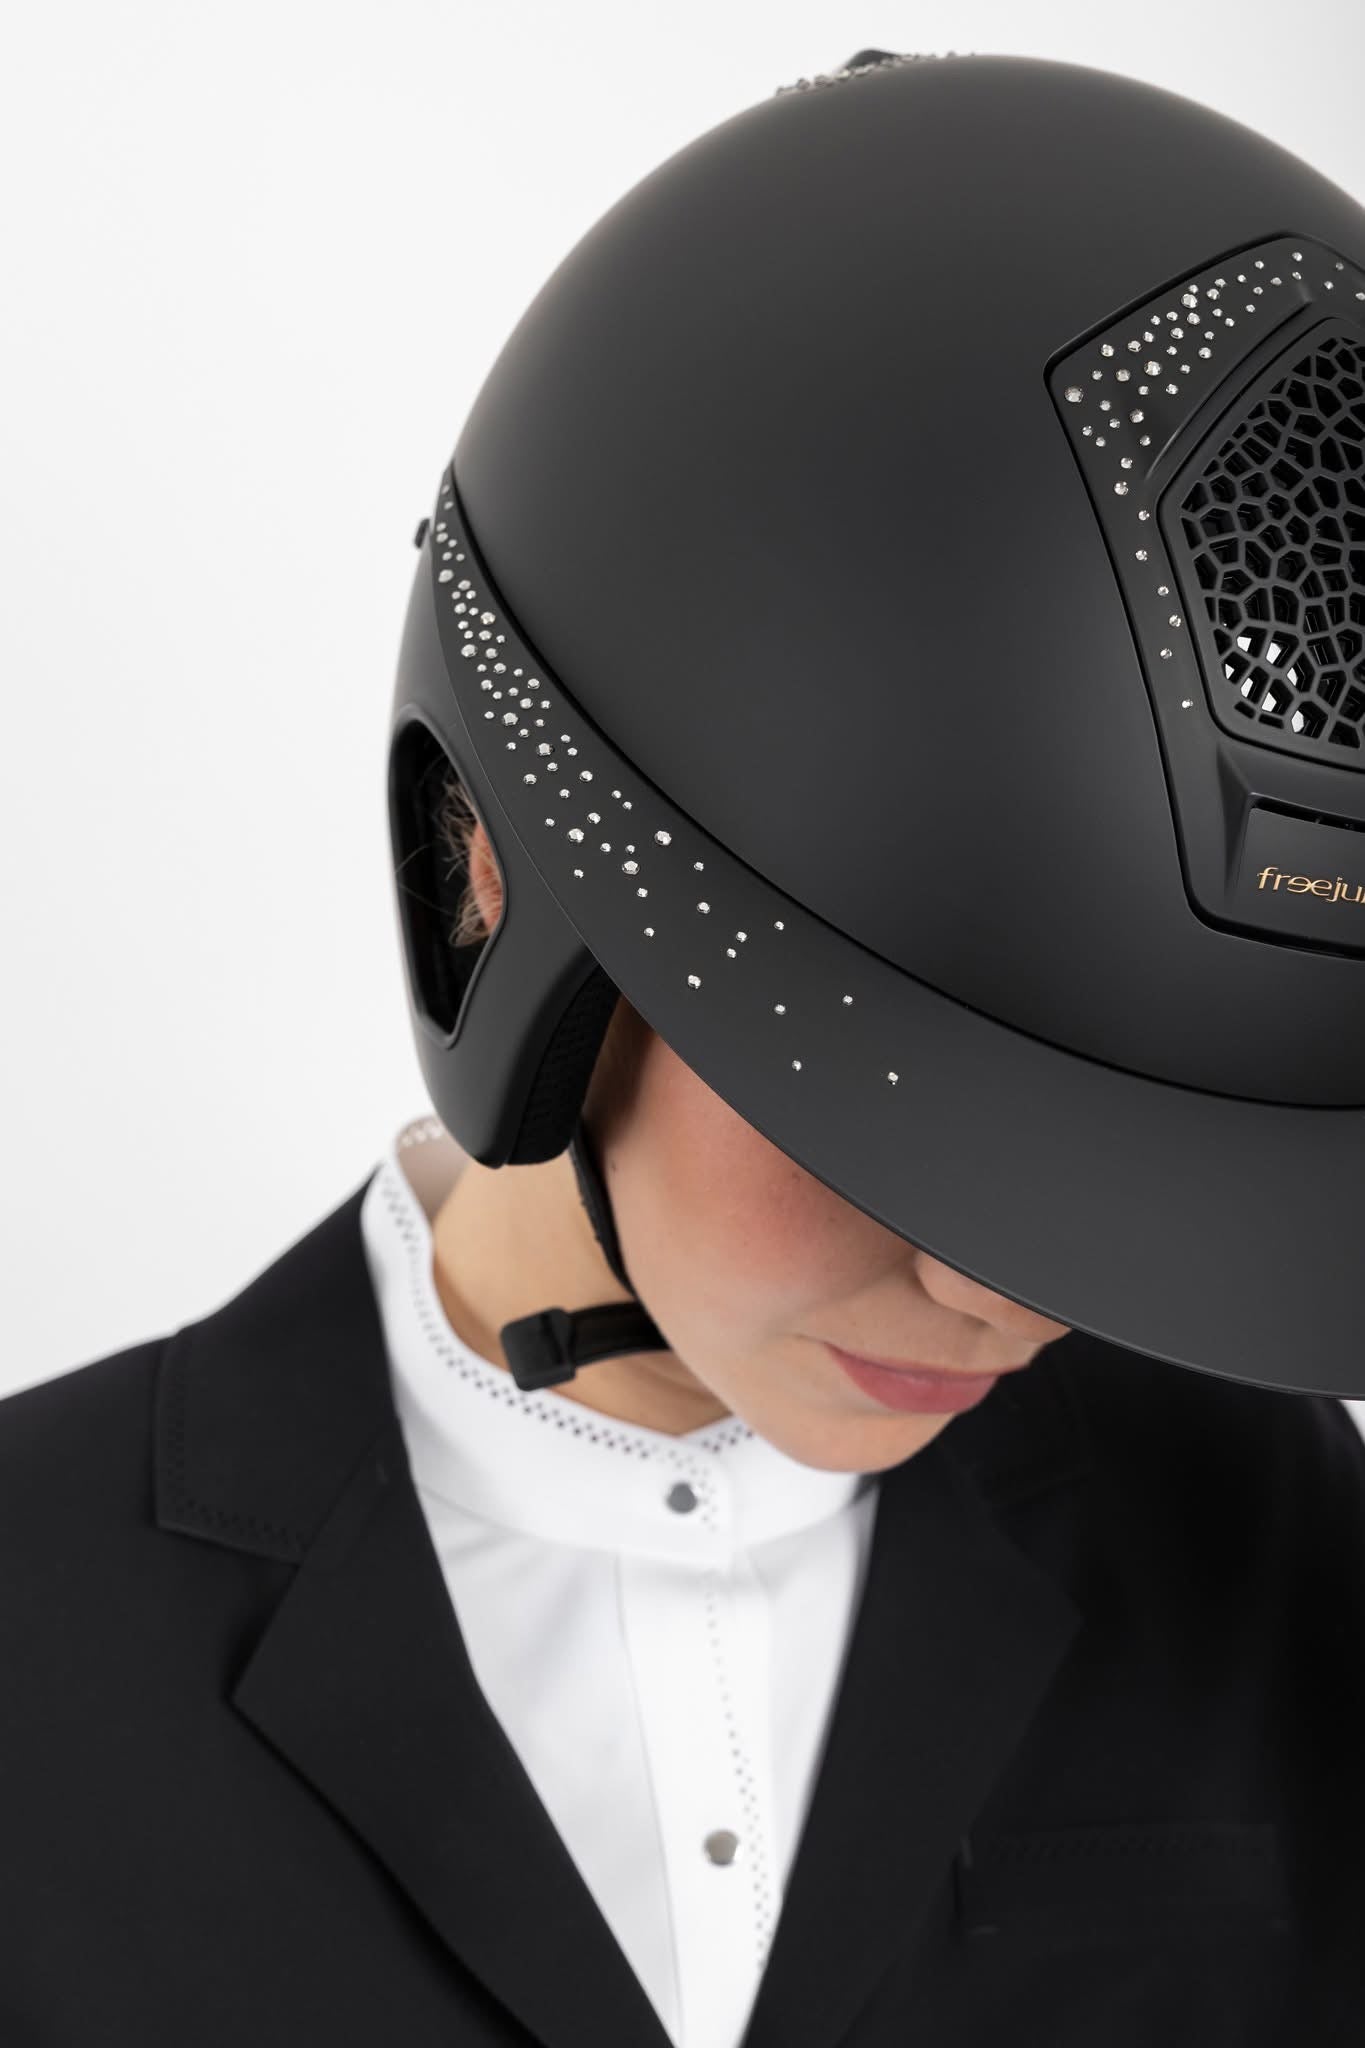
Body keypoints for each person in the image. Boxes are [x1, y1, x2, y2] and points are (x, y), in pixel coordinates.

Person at [3, 45, 1365, 2048]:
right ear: (496, 884)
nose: (1003, 1292)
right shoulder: (29, 1619)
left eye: (1134, 1185)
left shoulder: (1267, 1539)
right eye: (907, 1126)